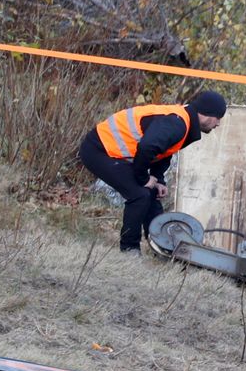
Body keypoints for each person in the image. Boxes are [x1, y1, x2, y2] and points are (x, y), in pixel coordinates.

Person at [79, 90, 226, 252]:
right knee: (139, 194)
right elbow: (147, 146)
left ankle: (162, 247)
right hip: (98, 149)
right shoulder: (178, 123)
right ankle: (129, 249)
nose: (218, 124)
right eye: (218, 118)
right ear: (207, 115)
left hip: (114, 152)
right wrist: (144, 179)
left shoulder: (184, 120)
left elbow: (163, 151)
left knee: (151, 195)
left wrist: (157, 178)